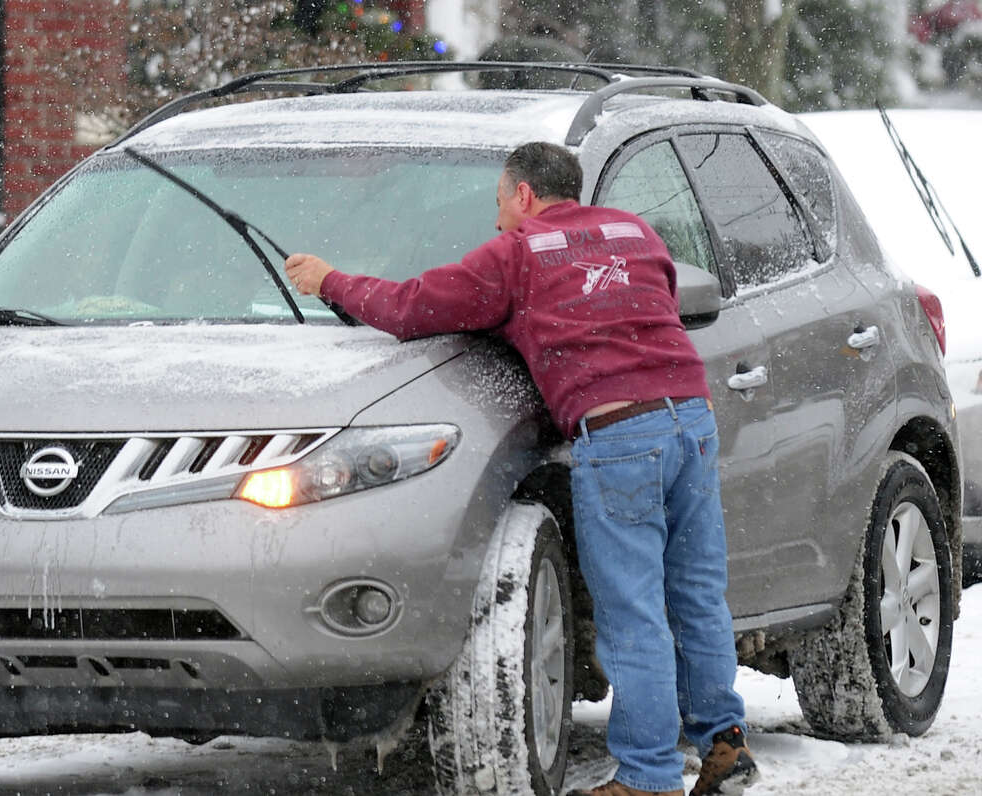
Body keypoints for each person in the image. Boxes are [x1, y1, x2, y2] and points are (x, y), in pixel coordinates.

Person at [284, 141, 758, 796]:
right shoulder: (634, 230)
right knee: (697, 593)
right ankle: (725, 744)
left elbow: (411, 306)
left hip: (619, 434)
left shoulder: (518, 254)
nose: (499, 220)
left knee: (634, 612)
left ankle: (648, 778)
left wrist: (330, 280)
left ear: (524, 195)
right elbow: (654, 303)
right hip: (691, 419)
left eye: (500, 204)